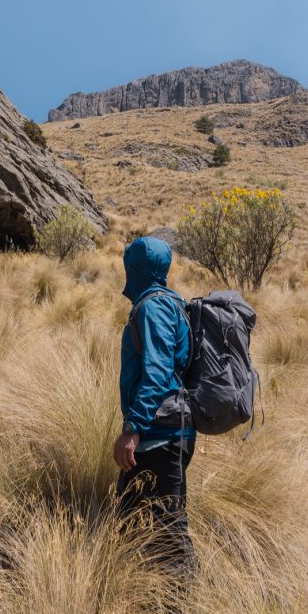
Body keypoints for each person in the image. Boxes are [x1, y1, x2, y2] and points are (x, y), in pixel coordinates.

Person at [114, 236, 196, 574]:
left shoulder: (152, 307)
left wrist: (132, 428)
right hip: (164, 431)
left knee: (169, 529)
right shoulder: (171, 302)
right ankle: (134, 592)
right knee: (129, 516)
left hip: (159, 436)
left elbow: (158, 373)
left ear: (134, 268)